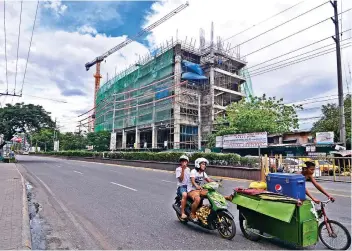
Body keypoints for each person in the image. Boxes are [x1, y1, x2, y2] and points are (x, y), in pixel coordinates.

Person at [188, 157, 214, 221]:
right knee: (198, 199)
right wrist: (197, 186)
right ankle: (192, 214)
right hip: (191, 190)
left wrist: (216, 183)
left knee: (212, 194)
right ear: (198, 164)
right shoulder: (193, 171)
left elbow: (209, 180)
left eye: (205, 164)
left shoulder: (203, 173)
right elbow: (193, 181)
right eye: (202, 164)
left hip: (199, 190)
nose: (204, 165)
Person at [175, 155, 191, 220]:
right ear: (180, 162)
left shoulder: (189, 169)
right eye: (182, 161)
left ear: (187, 162)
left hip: (189, 186)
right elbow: (181, 180)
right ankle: (182, 213)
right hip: (181, 187)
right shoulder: (178, 169)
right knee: (184, 195)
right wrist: (183, 170)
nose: (184, 162)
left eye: (185, 161)